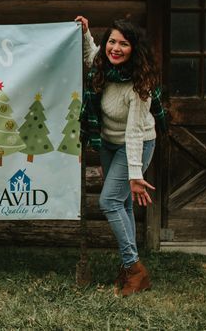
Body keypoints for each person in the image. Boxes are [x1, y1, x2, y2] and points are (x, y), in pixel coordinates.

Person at [75, 15, 166, 297]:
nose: (115, 48)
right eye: (111, 42)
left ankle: (135, 268)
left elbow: (135, 134)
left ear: (134, 49)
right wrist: (87, 32)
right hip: (108, 143)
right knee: (122, 205)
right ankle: (130, 270)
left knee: (110, 200)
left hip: (135, 145)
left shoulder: (139, 86)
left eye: (123, 44)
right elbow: (92, 54)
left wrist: (135, 175)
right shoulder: (103, 68)